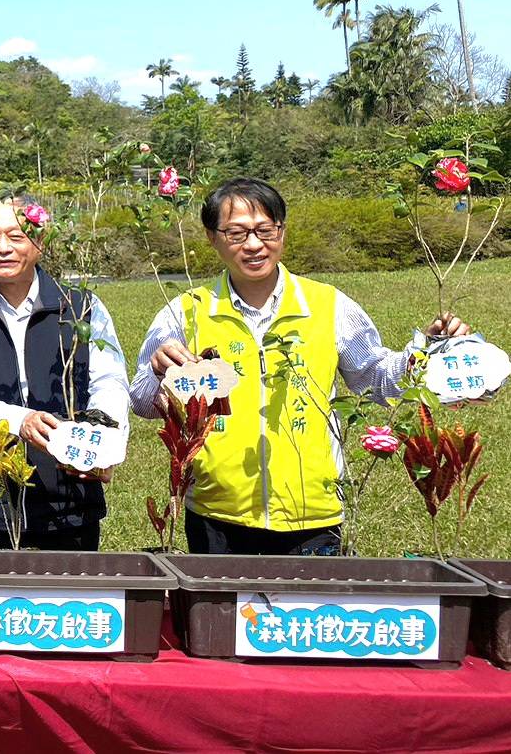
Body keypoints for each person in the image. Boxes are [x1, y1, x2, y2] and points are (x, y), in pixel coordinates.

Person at [130, 177, 470, 556]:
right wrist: (160, 373)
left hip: (313, 514)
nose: (255, 245)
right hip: (214, 513)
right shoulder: (185, 313)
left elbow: (377, 378)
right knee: (221, 617)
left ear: (282, 231)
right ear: (212, 237)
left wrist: (426, 351)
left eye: (265, 230)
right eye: (237, 233)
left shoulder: (328, 305)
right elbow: (142, 403)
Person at [0, 193, 131, 551]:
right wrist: (19, 421)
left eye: (16, 236)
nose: (2, 247)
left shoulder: (81, 308)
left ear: (40, 240)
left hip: (70, 493)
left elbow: (109, 379)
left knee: (71, 602)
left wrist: (104, 437)